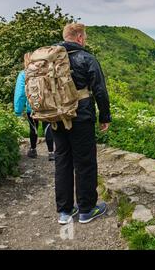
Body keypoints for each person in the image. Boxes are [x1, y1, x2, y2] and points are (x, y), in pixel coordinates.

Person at [53, 23, 111, 225]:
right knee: (84, 161)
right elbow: (100, 91)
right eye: (84, 37)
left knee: (62, 161)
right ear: (78, 37)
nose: (84, 40)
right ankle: (86, 209)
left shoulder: (51, 58)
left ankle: (65, 211)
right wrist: (105, 117)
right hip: (81, 115)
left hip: (55, 117)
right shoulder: (86, 58)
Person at [14, 70, 55, 161]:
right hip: (47, 106)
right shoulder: (47, 68)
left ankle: (33, 150)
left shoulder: (24, 73)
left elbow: (20, 93)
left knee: (33, 128)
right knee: (48, 127)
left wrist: (18, 111)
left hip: (32, 107)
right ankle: (51, 153)